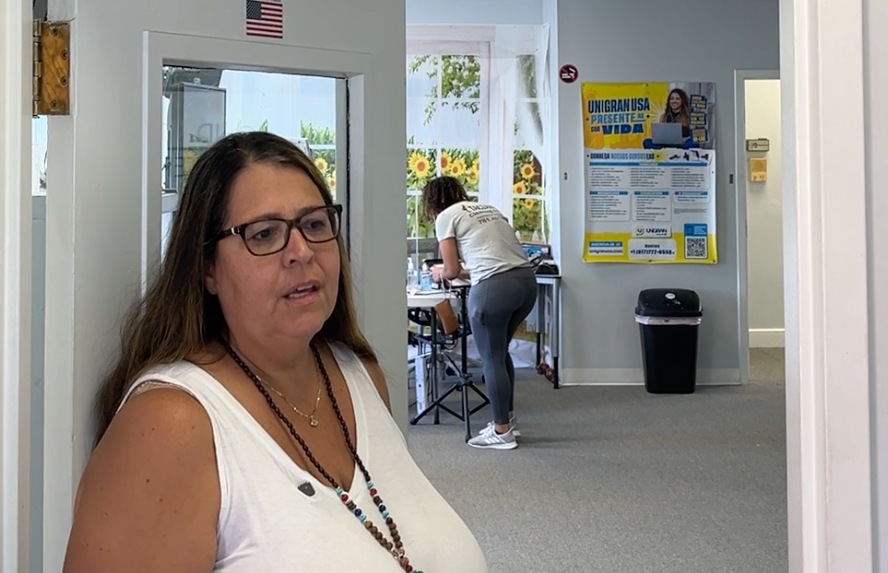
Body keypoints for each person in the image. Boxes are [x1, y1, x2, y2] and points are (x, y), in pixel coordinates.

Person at [65, 132, 486, 573]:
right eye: (264, 234)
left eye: (315, 224)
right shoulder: (171, 424)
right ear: (206, 266)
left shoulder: (358, 374)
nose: (301, 252)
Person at [422, 176, 538, 451]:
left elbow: (449, 271)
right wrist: (458, 270)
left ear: (431, 201)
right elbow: (490, 260)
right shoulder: (488, 210)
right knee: (500, 352)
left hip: (493, 291)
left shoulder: (446, 217)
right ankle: (507, 421)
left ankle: (501, 432)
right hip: (525, 284)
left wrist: (440, 271)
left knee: (491, 358)